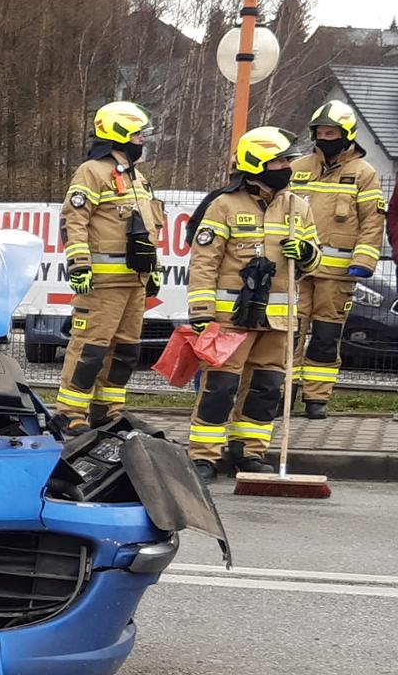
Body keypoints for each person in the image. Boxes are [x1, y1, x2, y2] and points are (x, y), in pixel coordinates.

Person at [180, 127, 321, 482]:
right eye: (279, 161)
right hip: (231, 319)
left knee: (266, 389)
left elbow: (313, 260)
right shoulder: (224, 205)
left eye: (287, 160)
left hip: (277, 322)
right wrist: (201, 313)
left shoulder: (297, 207)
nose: (287, 167)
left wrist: (306, 253)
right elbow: (204, 262)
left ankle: (249, 453)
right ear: (257, 164)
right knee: (220, 387)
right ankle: (204, 456)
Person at [54, 101, 165, 433]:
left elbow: (149, 227)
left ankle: (108, 412)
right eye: (137, 134)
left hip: (134, 282)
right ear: (119, 134)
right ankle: (70, 413)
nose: (142, 140)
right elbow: (74, 220)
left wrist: (154, 268)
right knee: (90, 349)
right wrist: (79, 264)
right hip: (102, 283)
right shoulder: (92, 171)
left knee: (125, 352)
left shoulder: (136, 177)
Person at [288, 100, 388, 418]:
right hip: (297, 270)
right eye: (319, 132)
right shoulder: (298, 167)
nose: (324, 138)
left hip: (338, 274)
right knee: (289, 333)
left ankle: (316, 398)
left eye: (330, 133)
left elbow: (372, 221)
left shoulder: (363, 173)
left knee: (326, 337)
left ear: (346, 135)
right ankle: (281, 393)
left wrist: (364, 260)